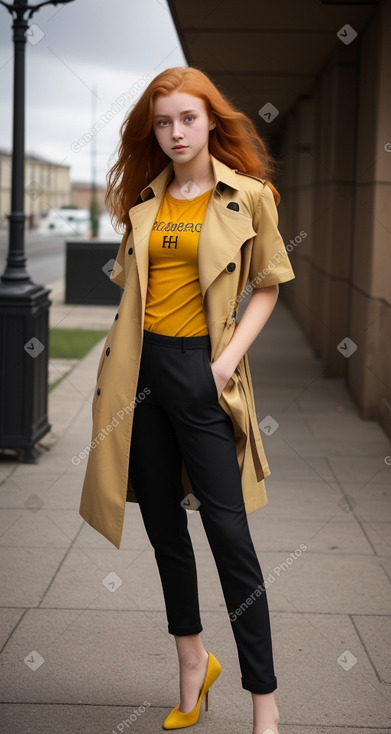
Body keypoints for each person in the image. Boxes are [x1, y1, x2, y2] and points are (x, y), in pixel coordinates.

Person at [79, 65, 295, 733]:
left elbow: (267, 284)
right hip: (137, 375)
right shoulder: (144, 202)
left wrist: (223, 363)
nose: (174, 132)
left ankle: (264, 705)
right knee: (164, 530)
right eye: (163, 121)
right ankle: (191, 665)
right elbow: (131, 291)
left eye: (187, 119)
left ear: (210, 122)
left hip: (201, 372)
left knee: (229, 536)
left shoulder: (249, 195)